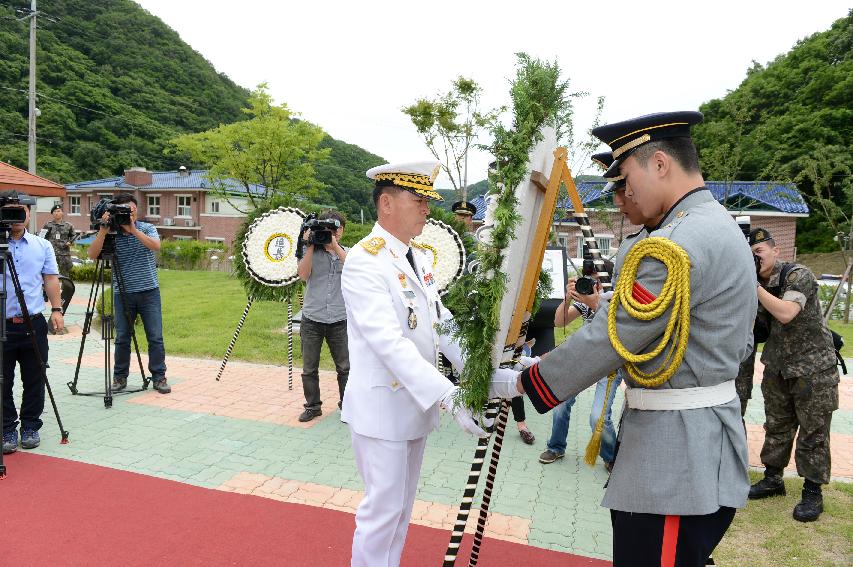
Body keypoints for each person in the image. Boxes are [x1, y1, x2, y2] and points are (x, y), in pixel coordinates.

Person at [490, 112, 756, 566]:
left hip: (677, 461)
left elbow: (616, 336)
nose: (624, 193)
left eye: (626, 177)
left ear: (659, 164)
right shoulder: (710, 225)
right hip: (686, 442)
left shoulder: (679, 242)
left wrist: (522, 382)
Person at [342, 161, 490, 567]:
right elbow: (388, 342)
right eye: (418, 199)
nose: (427, 208)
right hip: (381, 409)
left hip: (411, 406)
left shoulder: (418, 259)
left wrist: (484, 369)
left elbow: (442, 326)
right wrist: (447, 394)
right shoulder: (365, 260)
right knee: (381, 515)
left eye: (428, 200)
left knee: (401, 513)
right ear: (386, 203)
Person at [747, 227, 840, 522]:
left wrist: (752, 285)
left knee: (813, 432)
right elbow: (759, 330)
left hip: (813, 370)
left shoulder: (797, 275)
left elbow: (787, 312)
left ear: (776, 251)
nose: (755, 259)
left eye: (759, 252)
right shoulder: (757, 283)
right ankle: (773, 479)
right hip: (777, 367)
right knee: (777, 425)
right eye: (750, 255)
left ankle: (813, 492)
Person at [87, 193, 170, 394]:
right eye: (122, 211)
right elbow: (92, 255)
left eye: (130, 210)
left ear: (136, 210)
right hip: (122, 293)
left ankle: (159, 377)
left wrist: (133, 229)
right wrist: (103, 231)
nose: (127, 214)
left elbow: (156, 246)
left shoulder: (146, 228)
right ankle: (120, 377)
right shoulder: (111, 234)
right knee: (122, 337)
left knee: (155, 337)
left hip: (149, 291)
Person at [1, 191, 64, 454]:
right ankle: (6, 427)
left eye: (22, 210)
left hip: (32, 322)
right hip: (2, 323)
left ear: (29, 213)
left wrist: (57, 309)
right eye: (10, 210)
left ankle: (29, 425)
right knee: (2, 380)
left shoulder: (42, 245)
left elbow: (50, 278)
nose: (17, 215)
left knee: (35, 376)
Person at [295, 210, 349, 422]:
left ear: (341, 231)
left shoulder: (349, 252)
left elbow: (356, 270)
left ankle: (347, 406)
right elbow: (302, 275)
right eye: (325, 231)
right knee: (309, 368)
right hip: (312, 318)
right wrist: (309, 245)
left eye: (334, 230)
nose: (329, 234)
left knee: (345, 368)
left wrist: (334, 247)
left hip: (339, 318)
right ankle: (312, 406)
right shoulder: (311, 251)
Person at [41, 204, 76, 277]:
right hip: (51, 253)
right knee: (49, 274)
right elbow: (42, 237)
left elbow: (74, 235)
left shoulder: (68, 225)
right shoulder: (48, 225)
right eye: (55, 211)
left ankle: (66, 288)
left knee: (65, 275)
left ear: (62, 213)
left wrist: (70, 242)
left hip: (64, 254)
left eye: (59, 211)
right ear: (52, 214)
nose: (57, 213)